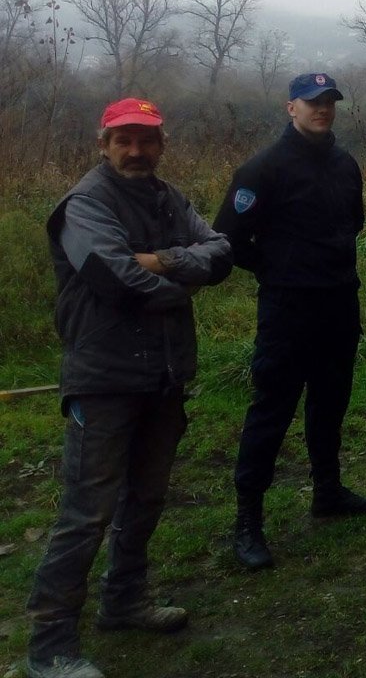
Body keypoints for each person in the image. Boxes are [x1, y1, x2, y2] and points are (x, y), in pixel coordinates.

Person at [27, 98, 232, 678]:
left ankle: (124, 601)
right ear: (104, 144)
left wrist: (162, 260)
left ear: (161, 143)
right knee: (86, 512)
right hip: (104, 379)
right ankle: (50, 644)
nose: (137, 151)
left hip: (163, 373)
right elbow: (116, 278)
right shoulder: (84, 205)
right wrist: (181, 280)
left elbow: (221, 252)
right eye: (125, 140)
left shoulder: (169, 198)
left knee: (146, 496)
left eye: (147, 140)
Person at [214, 73, 366, 571]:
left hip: (338, 304)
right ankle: (248, 522)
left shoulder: (345, 163)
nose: (322, 109)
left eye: (329, 102)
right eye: (312, 102)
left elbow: (355, 222)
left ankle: (327, 492)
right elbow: (228, 239)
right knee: (272, 410)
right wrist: (276, 268)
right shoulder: (262, 169)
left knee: (331, 404)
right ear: (291, 108)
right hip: (287, 310)